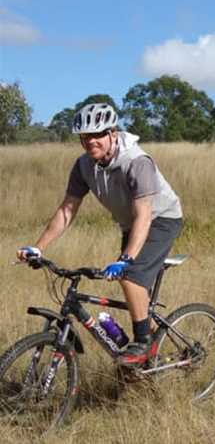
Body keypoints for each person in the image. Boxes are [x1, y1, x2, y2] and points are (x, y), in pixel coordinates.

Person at [16, 103, 183, 367]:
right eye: (85, 137)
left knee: (130, 277)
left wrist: (126, 258)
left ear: (113, 133)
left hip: (161, 219)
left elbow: (144, 215)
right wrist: (38, 248)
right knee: (135, 292)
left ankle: (143, 344)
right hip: (131, 224)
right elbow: (67, 210)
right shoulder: (84, 166)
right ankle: (149, 355)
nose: (91, 141)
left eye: (98, 134)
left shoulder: (136, 162)